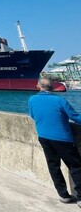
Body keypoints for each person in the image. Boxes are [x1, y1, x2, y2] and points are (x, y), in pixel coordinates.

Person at [29, 78, 81, 206]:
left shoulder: (32, 99)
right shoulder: (59, 100)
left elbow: (32, 115)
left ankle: (63, 195)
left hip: (44, 137)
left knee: (53, 166)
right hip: (62, 139)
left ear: (38, 86)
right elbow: (74, 116)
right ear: (52, 88)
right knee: (76, 166)